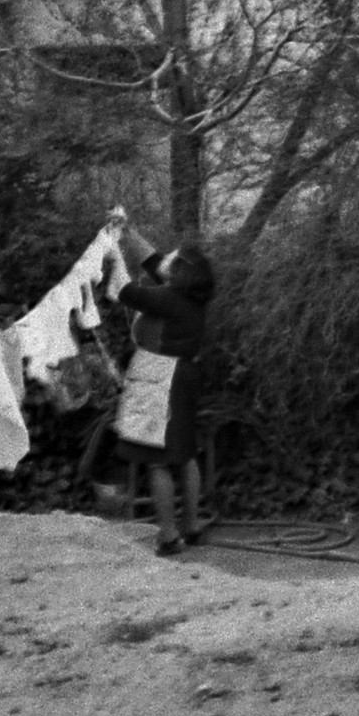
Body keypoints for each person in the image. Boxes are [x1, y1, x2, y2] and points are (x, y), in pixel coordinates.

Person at [113, 228, 216, 554]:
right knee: (185, 454)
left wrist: (109, 252)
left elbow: (124, 291)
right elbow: (154, 261)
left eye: (173, 259)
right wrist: (126, 232)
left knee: (156, 461)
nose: (166, 258)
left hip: (160, 378)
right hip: (183, 376)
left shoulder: (169, 299)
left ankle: (169, 536)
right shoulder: (190, 296)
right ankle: (192, 525)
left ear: (180, 272)